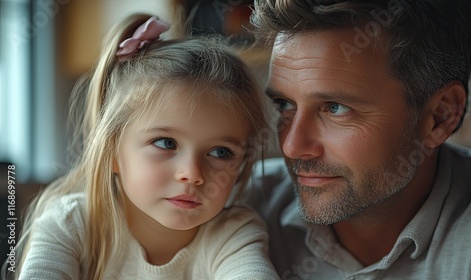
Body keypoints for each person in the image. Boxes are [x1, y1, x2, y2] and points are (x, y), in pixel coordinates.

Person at [5, 14, 279, 280]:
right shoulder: (70, 224)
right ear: (111, 151)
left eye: (221, 152)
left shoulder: (234, 233)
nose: (192, 173)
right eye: (166, 143)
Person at [245, 0, 471, 279]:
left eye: (335, 107)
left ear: (440, 117)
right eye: (284, 104)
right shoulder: (237, 203)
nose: (291, 146)